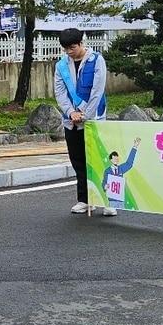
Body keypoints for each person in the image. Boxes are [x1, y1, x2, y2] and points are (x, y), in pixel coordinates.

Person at [54, 28, 108, 215]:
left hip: (93, 119)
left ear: (81, 43)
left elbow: (97, 91)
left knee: (98, 161)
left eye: (72, 47)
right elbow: (60, 92)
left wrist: (85, 114)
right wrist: (70, 112)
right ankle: (84, 199)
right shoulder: (61, 66)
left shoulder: (96, 60)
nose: (69, 52)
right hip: (71, 122)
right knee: (78, 160)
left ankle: (106, 200)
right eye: (66, 48)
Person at [101, 139, 141, 216]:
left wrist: (135, 147)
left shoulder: (120, 168)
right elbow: (104, 181)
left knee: (122, 212)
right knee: (112, 211)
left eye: (117, 158)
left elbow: (129, 163)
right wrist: (105, 186)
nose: (116, 160)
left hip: (120, 198)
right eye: (114, 158)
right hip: (111, 197)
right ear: (110, 160)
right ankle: (109, 208)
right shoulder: (107, 171)